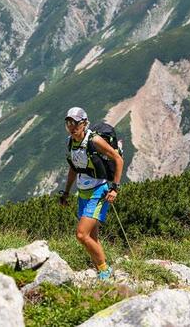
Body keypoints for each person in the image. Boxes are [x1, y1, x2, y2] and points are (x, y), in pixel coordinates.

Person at [58, 106, 124, 281]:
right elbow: (74, 169)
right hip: (83, 193)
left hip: (98, 192)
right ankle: (102, 273)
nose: (72, 127)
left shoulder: (94, 141)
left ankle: (104, 271)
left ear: (84, 123)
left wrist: (115, 188)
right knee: (92, 237)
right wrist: (66, 192)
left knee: (81, 234)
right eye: (68, 123)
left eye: (75, 123)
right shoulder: (70, 142)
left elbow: (118, 159)